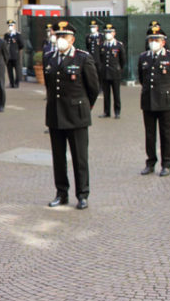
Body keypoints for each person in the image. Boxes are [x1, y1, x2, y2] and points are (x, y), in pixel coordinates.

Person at [44, 21, 99, 210]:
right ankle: (61, 193)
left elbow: (93, 88)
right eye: (58, 36)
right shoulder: (49, 57)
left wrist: (84, 106)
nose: (60, 40)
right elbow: (50, 87)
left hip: (76, 116)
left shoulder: (83, 58)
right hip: (55, 115)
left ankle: (82, 194)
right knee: (58, 158)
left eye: (64, 37)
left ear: (72, 39)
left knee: (79, 158)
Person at [139, 26, 170, 177]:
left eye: (156, 40)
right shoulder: (143, 57)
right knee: (150, 135)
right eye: (151, 39)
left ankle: (166, 164)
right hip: (148, 100)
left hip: (165, 101)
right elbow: (141, 78)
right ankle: (150, 162)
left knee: (165, 134)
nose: (153, 42)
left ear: (163, 42)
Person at [97, 24, 126, 119]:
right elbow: (100, 59)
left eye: (110, 32)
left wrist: (119, 69)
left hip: (115, 73)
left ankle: (117, 111)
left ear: (114, 33)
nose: (108, 34)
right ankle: (106, 111)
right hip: (105, 72)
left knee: (116, 93)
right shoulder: (102, 45)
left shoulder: (118, 45)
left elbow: (123, 60)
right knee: (106, 94)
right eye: (106, 32)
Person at [4, 19, 23, 88]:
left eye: (11, 25)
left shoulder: (17, 35)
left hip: (15, 55)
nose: (10, 26)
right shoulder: (7, 35)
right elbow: (5, 44)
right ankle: (11, 83)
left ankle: (17, 83)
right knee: (10, 71)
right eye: (9, 25)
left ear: (14, 26)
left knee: (17, 70)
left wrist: (17, 50)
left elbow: (21, 45)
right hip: (9, 55)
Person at [85, 20, 102, 88]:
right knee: (91, 73)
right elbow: (87, 46)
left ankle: (100, 87)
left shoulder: (100, 36)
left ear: (97, 28)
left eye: (94, 27)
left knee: (99, 73)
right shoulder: (88, 36)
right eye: (91, 27)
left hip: (98, 58)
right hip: (91, 58)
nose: (92, 29)